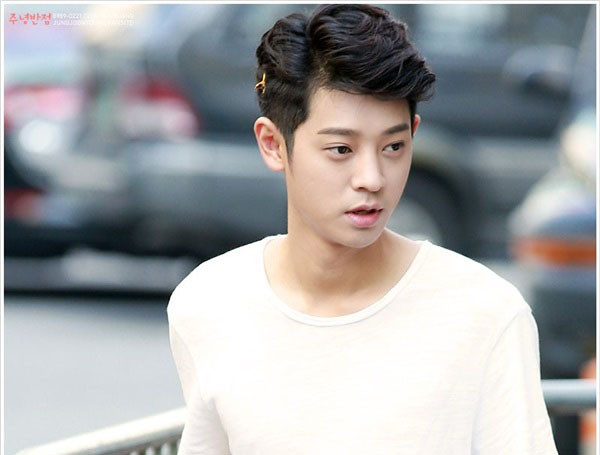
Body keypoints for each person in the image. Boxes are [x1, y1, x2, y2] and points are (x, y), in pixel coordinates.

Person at [167, 5, 558, 454]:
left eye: (394, 146)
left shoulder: (485, 313)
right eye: (341, 149)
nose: (372, 178)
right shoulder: (208, 304)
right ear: (273, 144)